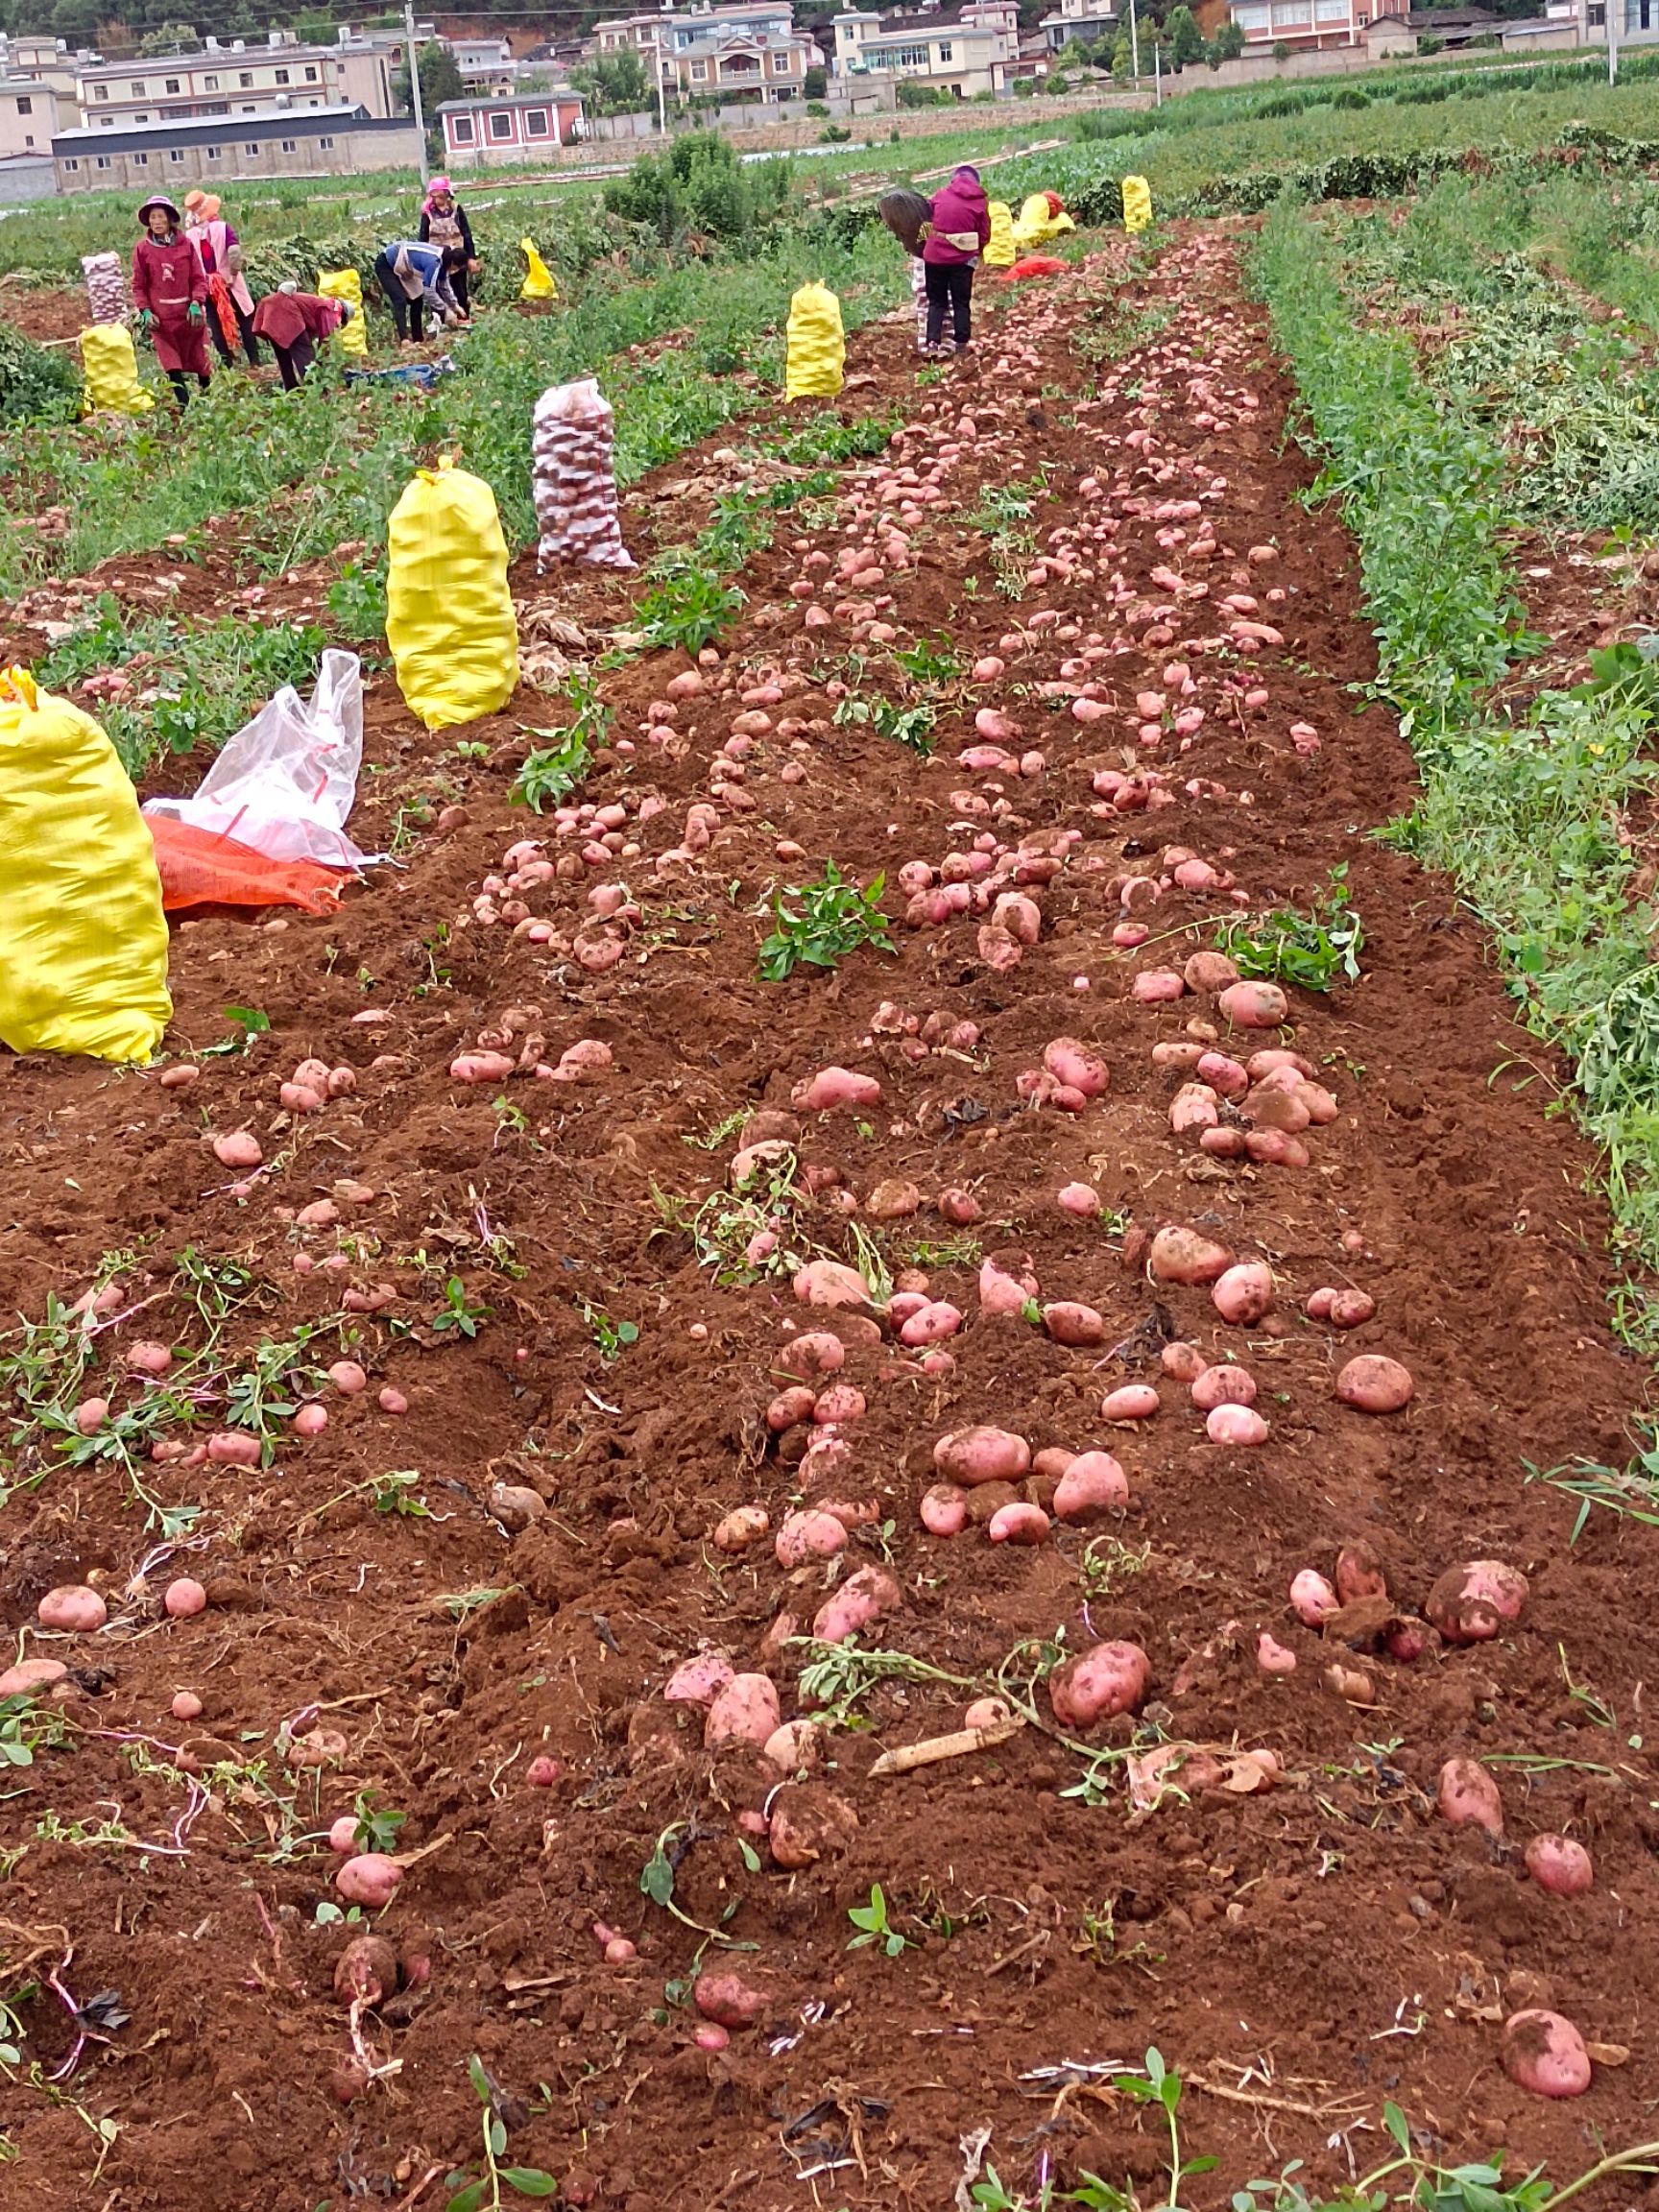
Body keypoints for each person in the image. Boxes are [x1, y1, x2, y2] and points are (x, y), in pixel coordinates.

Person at [131, 195, 211, 405]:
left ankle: (209, 401)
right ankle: (185, 406)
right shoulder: (143, 250)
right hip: (162, 321)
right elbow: (138, 286)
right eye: (152, 217)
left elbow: (198, 278)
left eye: (160, 217)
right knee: (172, 366)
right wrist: (146, 311)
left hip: (189, 317)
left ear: (170, 219)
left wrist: (196, 303)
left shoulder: (186, 245)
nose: (156, 222)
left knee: (202, 360)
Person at [182, 189, 261, 369]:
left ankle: (228, 366)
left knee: (215, 323)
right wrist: (232, 275)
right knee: (244, 319)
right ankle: (255, 362)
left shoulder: (190, 235)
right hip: (227, 282)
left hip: (206, 285)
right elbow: (234, 252)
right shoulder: (222, 228)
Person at [922, 164, 990, 357]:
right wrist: (976, 253)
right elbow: (984, 235)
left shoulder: (940, 195)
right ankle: (961, 345)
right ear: (975, 182)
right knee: (961, 302)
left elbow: (927, 222)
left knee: (936, 301)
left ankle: (932, 343)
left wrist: (926, 246)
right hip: (962, 260)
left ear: (955, 179)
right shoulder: (980, 203)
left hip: (934, 257)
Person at [251, 279, 349, 391]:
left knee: (283, 356)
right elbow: (326, 338)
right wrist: (325, 360)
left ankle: (291, 389)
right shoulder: (332, 309)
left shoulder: (318, 303)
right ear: (343, 315)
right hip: (286, 312)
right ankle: (313, 387)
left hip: (272, 312)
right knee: (304, 353)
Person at [373, 238, 461, 347]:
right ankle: (404, 340)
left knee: (417, 299)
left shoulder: (444, 262)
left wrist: (455, 305)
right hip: (387, 264)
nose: (454, 271)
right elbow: (429, 291)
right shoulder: (434, 262)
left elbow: (444, 286)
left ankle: (418, 340)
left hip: (404, 266)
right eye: (455, 268)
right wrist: (446, 310)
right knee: (399, 300)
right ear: (452, 263)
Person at [418, 176, 479, 322]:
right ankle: (444, 323)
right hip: (437, 260)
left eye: (439, 194)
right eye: (433, 195)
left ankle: (464, 321)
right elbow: (423, 237)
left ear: (446, 194)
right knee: (440, 293)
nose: (436, 198)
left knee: (461, 293)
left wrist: (471, 257)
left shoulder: (456, 209)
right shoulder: (428, 214)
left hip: (458, 259)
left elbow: (466, 233)